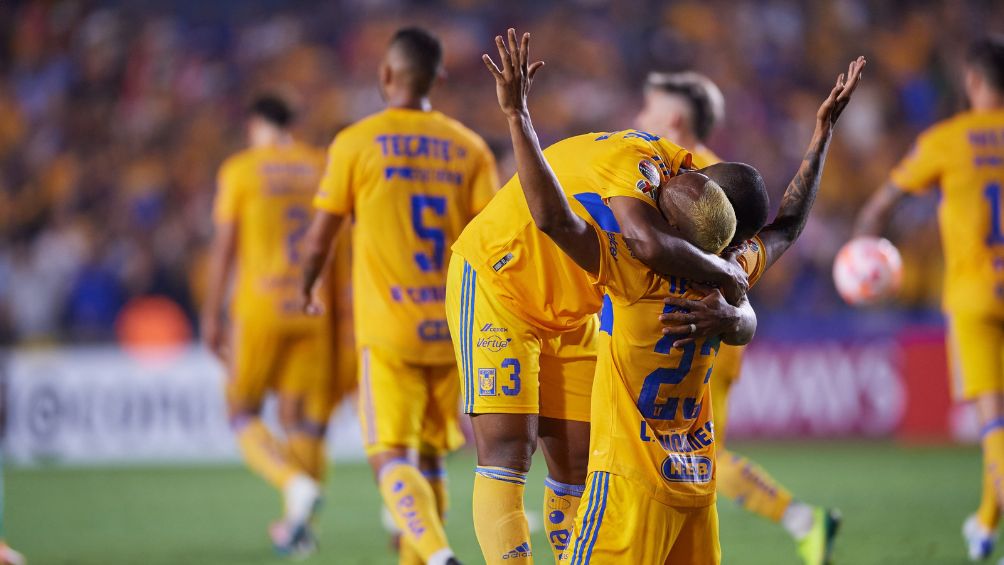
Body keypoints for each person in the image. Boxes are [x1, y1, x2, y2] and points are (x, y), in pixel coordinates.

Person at [481, 30, 864, 564]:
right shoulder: (737, 270)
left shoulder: (636, 269)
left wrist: (519, 116)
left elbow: (551, 218)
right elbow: (789, 225)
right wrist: (821, 135)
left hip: (629, 481)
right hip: (694, 478)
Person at [300, 27, 498, 565]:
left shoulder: (356, 142)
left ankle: (436, 557)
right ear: (438, 77)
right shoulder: (470, 147)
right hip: (452, 328)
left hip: (389, 331)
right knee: (432, 458)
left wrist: (306, 283)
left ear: (386, 75)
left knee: (390, 457)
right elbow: (494, 236)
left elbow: (321, 235)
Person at [638, 71, 841, 563]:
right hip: (719, 320)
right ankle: (801, 520)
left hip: (672, 351)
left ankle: (801, 519)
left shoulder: (690, 192)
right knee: (699, 453)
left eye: (649, 110)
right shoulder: (730, 225)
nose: (640, 119)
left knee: (694, 454)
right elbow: (784, 227)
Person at [855, 35, 1004, 562]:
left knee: (994, 421)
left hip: (974, 296)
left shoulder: (949, 139)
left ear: (974, 81)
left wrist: (861, 244)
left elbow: (883, 203)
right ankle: (985, 524)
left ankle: (992, 520)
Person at [202, 94, 341, 556]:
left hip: (259, 306)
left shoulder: (241, 170)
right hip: (311, 306)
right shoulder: (319, 164)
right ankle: (298, 525)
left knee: (241, 412)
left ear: (256, 124)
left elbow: (225, 247)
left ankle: (292, 483)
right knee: (300, 421)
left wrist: (210, 313)